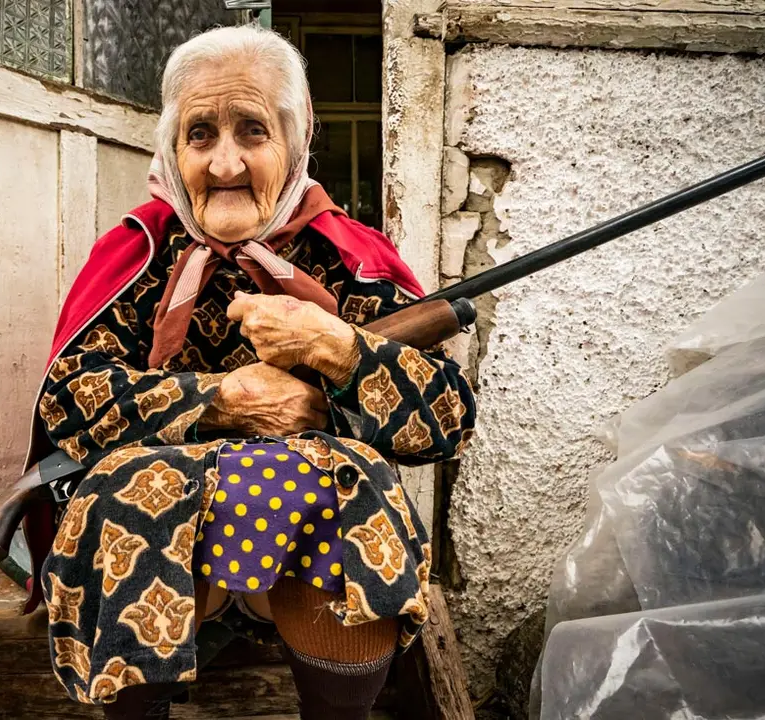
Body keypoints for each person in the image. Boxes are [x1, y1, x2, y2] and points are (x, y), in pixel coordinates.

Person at [25, 24, 476, 720]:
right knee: (135, 488)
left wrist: (340, 349)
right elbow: (69, 401)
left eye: (252, 132)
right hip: (167, 560)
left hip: (304, 562)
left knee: (351, 486)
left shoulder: (347, 257)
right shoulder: (139, 253)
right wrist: (219, 399)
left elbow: (448, 416)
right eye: (200, 133)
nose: (225, 162)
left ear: (295, 145)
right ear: (172, 150)